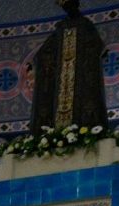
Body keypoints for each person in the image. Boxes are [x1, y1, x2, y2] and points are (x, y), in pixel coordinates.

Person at [30, 0, 107, 132]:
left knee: (87, 100)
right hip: (61, 79)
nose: (68, 9)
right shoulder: (61, 27)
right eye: (66, 7)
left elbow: (96, 44)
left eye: (70, 6)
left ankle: (85, 129)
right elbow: (46, 49)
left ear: (75, 6)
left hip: (81, 75)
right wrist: (39, 60)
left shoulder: (85, 25)